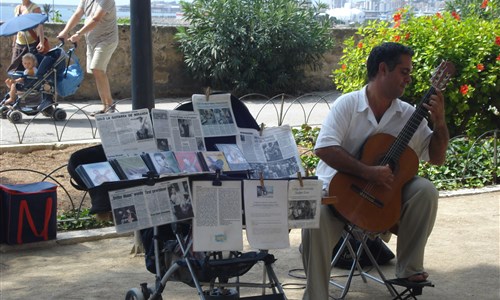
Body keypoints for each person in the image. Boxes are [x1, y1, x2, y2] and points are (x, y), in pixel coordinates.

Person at [301, 42, 449, 300]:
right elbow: (324, 148)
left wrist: (441, 123)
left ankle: (410, 269)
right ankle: (316, 296)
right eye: (404, 72)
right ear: (383, 69)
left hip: (382, 204)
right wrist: (368, 172)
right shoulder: (347, 105)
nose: (409, 79)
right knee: (315, 219)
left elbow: (436, 158)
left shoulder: (407, 114)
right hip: (337, 197)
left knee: (425, 190)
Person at [57, 0, 118, 116]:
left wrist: (78, 34)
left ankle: (110, 104)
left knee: (97, 68)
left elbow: (96, 19)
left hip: (106, 40)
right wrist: (65, 32)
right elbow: (77, 14)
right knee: (96, 72)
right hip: (92, 41)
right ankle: (105, 107)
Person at [7, 0, 46, 72]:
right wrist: (13, 43)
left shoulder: (35, 8)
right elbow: (16, 27)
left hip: (31, 44)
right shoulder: (17, 8)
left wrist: (41, 42)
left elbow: (40, 26)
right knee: (14, 70)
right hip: (18, 44)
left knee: (31, 71)